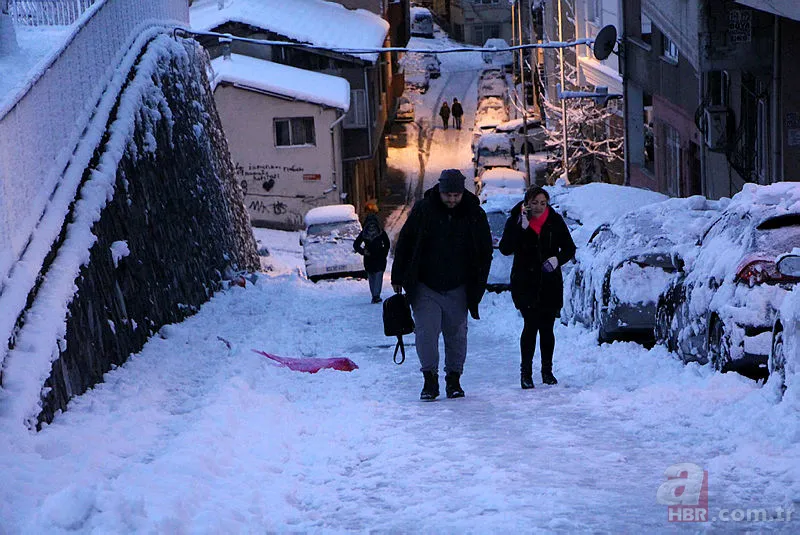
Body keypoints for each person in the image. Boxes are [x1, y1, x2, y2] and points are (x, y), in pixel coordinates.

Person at [391, 169, 493, 401]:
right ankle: (429, 381)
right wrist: (398, 276)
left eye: (456, 195)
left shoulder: (474, 213)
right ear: (440, 190)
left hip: (459, 285)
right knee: (426, 333)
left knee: (457, 335)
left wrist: (479, 281)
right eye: (448, 195)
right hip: (426, 285)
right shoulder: (423, 210)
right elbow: (405, 242)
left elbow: (485, 250)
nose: (452, 200)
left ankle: (454, 380)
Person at [498, 186, 576, 389]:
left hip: (549, 281)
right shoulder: (517, 220)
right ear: (527, 203)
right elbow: (505, 248)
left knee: (547, 327)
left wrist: (557, 260)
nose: (539, 207)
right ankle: (526, 373)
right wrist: (520, 228)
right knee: (530, 325)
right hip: (525, 281)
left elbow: (569, 248)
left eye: (543, 203)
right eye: (535, 203)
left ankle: (547, 371)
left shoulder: (555, 221)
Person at [354, 214, 391, 303]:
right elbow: (387, 243)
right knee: (377, 276)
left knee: (372, 278)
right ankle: (376, 295)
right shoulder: (380, 231)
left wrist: (363, 252)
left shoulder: (364, 233)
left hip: (369, 258)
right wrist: (383, 253)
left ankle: (375, 295)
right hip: (378, 258)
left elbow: (356, 245)